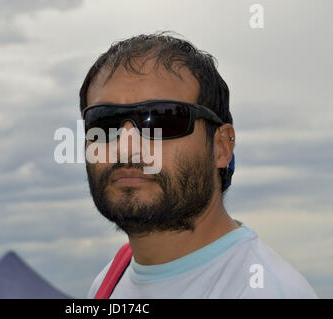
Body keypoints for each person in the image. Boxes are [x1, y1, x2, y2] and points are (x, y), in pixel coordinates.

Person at [79, 31, 317, 298]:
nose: (127, 146)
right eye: (104, 122)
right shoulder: (109, 282)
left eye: (162, 119)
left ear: (222, 147)